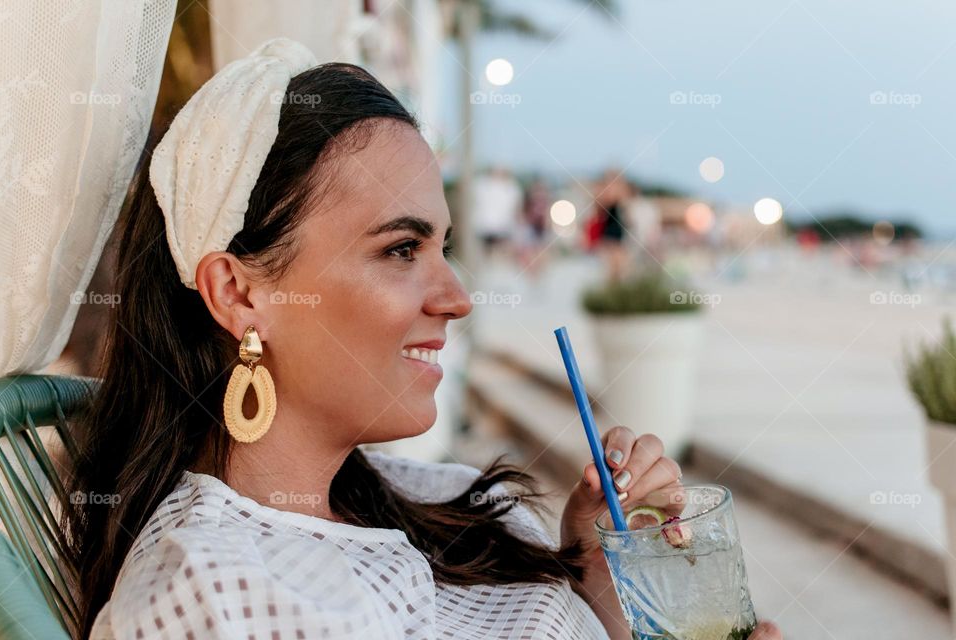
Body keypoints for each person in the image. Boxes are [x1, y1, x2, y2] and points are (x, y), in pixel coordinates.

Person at [62, 38, 783, 640]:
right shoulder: (210, 596)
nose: (458, 298)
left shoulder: (413, 493)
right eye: (401, 250)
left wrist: (595, 580)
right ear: (240, 293)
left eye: (443, 245)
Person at [472, 166, 523, 262]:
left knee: (500, 253)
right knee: (486, 254)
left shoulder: (511, 187)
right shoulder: (482, 184)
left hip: (502, 226)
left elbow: (516, 208)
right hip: (485, 226)